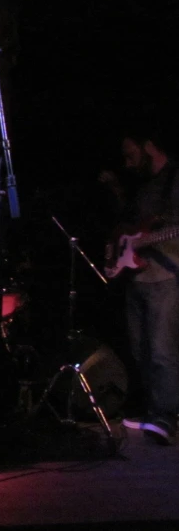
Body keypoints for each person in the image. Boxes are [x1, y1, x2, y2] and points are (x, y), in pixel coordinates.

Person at [109, 128, 179, 446]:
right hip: (136, 277)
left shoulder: (174, 179)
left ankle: (165, 416)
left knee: (163, 351)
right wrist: (119, 251)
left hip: (165, 278)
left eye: (131, 153)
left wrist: (149, 241)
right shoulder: (143, 185)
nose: (128, 162)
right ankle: (151, 410)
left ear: (148, 144)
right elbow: (128, 228)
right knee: (141, 350)